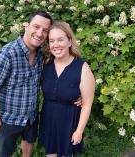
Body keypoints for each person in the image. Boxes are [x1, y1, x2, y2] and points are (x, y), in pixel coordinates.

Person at [0, 11, 53, 157]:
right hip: (8, 120)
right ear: (26, 26)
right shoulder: (5, 55)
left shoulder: (41, 55)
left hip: (31, 117)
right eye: (36, 26)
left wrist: (78, 95)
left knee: (28, 143)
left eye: (45, 30)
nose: (40, 33)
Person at [39, 21, 95, 157]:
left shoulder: (82, 68)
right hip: (49, 121)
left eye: (60, 40)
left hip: (69, 124)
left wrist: (79, 131)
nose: (56, 45)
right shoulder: (45, 65)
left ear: (70, 41)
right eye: (51, 41)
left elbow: (87, 104)